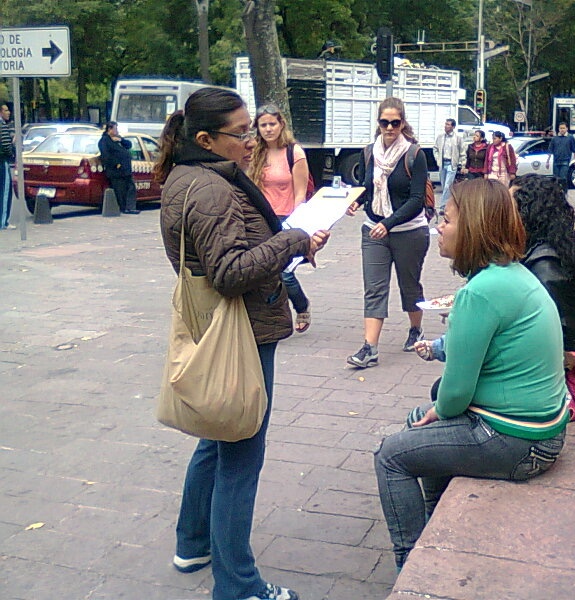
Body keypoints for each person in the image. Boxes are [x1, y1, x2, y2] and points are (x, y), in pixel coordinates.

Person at [155, 87, 329, 600]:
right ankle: (237, 585)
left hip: (219, 323)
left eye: (252, 128)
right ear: (205, 139)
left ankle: (193, 544)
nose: (251, 140)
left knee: (218, 436)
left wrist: (288, 241)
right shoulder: (212, 189)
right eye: (240, 132)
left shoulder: (187, 176)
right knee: (241, 450)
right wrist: (292, 239)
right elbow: (230, 272)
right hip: (243, 330)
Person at [374, 178, 568, 571]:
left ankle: (411, 566)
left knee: (391, 455)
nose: (438, 227)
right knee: (426, 422)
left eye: (446, 219)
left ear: (474, 228)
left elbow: (455, 395)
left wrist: (436, 412)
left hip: (520, 443)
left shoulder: (479, 292)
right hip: (543, 429)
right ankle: (433, 524)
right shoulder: (512, 274)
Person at [344, 97, 430, 368]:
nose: (390, 127)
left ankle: (416, 329)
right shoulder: (369, 152)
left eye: (395, 122)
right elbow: (366, 186)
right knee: (374, 288)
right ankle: (370, 348)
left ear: (402, 123)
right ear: (378, 123)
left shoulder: (414, 154)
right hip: (373, 230)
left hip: (409, 230)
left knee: (409, 285)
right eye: (385, 122)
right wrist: (356, 201)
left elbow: (416, 199)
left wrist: (389, 223)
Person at [512, 174, 575, 356]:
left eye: (509, 209)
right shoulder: (551, 250)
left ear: (529, 213)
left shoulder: (545, 267)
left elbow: (557, 333)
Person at [247, 103, 312, 333]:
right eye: (263, 125)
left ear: (281, 124)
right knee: (265, 270)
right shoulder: (255, 152)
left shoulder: (294, 152)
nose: (268, 129)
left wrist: (296, 225)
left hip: (287, 218)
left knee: (284, 271)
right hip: (262, 218)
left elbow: (300, 193)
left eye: (272, 124)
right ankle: (270, 315)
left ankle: (301, 306)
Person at [98, 121, 139, 214]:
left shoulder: (118, 138)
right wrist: (117, 164)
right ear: (110, 129)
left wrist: (121, 140)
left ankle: (131, 207)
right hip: (116, 171)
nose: (117, 131)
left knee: (131, 187)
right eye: (115, 129)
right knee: (121, 190)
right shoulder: (105, 141)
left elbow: (129, 145)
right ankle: (124, 208)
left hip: (126, 170)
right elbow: (106, 156)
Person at [433, 118, 465, 213]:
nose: (446, 126)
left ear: (453, 127)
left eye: (448, 124)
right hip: (442, 163)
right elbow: (435, 149)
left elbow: (462, 152)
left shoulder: (458, 138)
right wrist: (437, 159)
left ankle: (442, 207)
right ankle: (451, 204)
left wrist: (462, 164)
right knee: (444, 186)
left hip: (452, 164)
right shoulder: (440, 137)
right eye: (445, 124)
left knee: (448, 185)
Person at [546, 122, 575, 198]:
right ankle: (556, 195)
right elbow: (550, 151)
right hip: (556, 161)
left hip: (565, 161)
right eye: (560, 128)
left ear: (567, 129)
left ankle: (564, 194)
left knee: (563, 178)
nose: (562, 130)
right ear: (558, 129)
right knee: (555, 179)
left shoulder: (570, 138)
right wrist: (547, 161)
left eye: (563, 128)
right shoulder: (554, 139)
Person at [0, 104, 16, 229]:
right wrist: (12, 153)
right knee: (5, 191)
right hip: (2, 161)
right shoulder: (2, 125)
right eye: (6, 110)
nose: (8, 112)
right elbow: (6, 145)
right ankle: (3, 222)